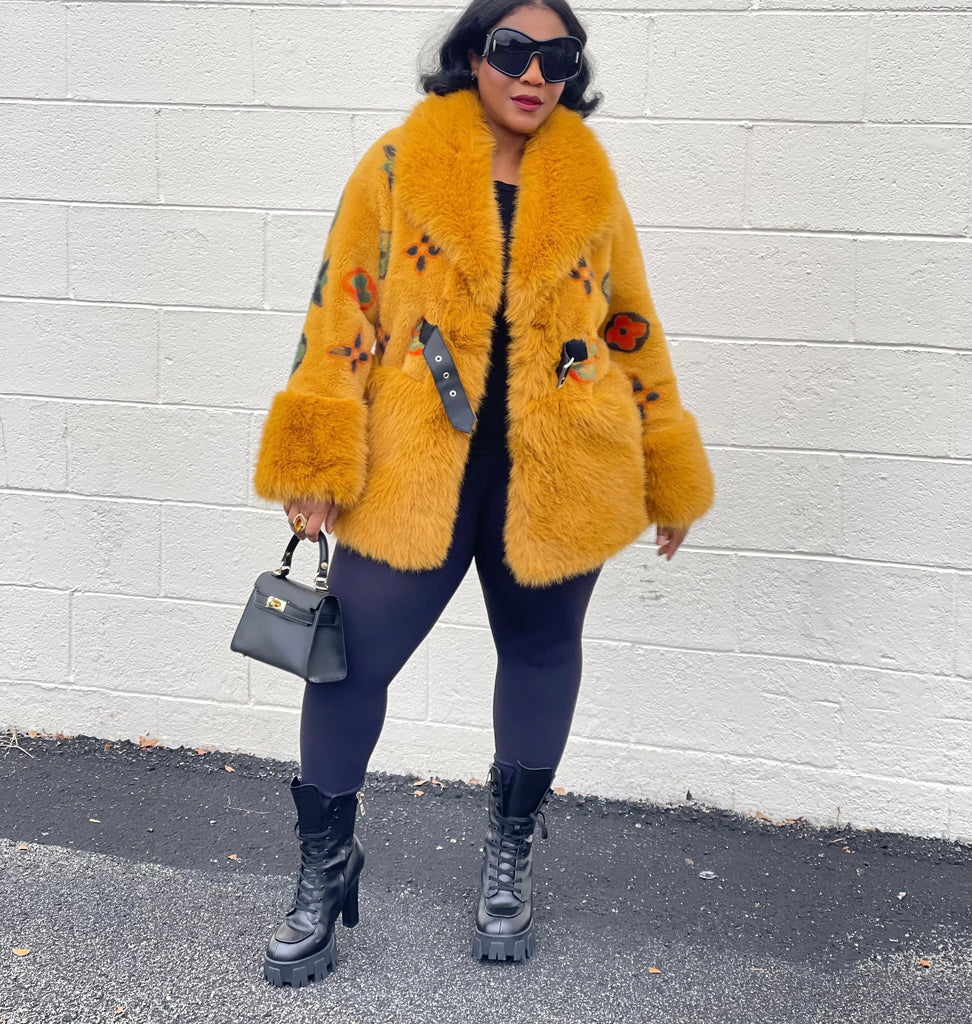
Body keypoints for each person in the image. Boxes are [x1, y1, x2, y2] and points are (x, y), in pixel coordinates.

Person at [253, 0, 715, 988]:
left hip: (561, 469)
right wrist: (318, 463)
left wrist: (665, 461)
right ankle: (323, 870)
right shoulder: (396, 166)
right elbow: (343, 312)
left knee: (542, 651)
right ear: (472, 53)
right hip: (415, 466)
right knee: (348, 666)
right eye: (515, 50)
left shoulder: (588, 181)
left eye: (560, 56)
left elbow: (629, 325)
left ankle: (509, 861)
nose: (536, 73)